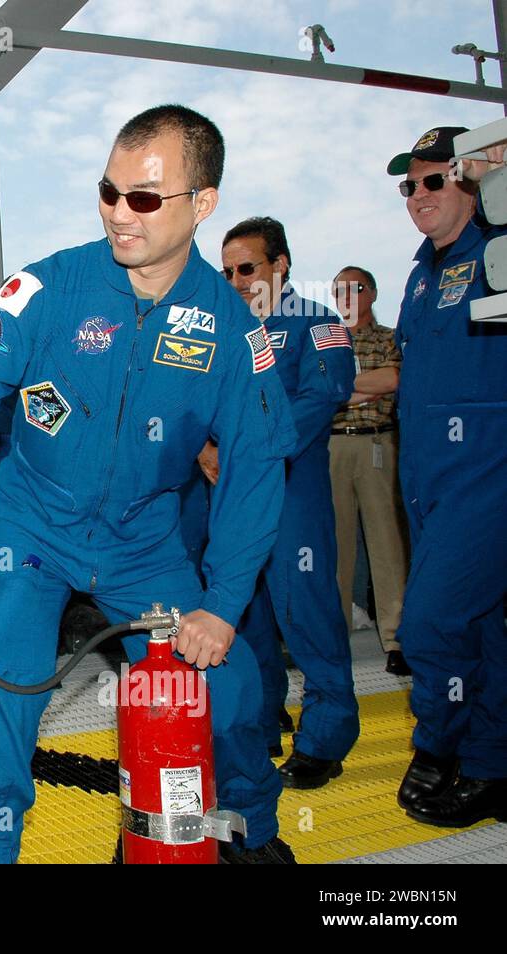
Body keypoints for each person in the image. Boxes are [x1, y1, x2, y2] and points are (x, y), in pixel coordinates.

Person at [0, 104, 299, 863]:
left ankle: (251, 832)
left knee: (230, 691)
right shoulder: (47, 288)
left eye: (143, 198)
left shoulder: (233, 331)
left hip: (145, 545)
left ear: (202, 204)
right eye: (108, 192)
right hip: (33, 530)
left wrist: (222, 604)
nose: (118, 214)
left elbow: (255, 471)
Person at [210, 217, 359, 790]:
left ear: (281, 265)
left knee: (307, 613)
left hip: (293, 492)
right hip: (233, 498)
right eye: (227, 272)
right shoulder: (225, 335)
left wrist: (244, 448)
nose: (237, 280)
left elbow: (323, 395)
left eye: (247, 267)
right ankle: (257, 724)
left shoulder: (316, 323)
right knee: (243, 618)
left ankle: (326, 737)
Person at [387, 126, 507, 827]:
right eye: (411, 185)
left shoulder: (496, 254)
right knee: (485, 627)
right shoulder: (420, 273)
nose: (419, 195)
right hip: (424, 473)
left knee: (430, 624)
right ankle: (492, 764)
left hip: (486, 470)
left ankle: (438, 745)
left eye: (436, 180)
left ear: (473, 182)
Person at [327, 266, 410, 676]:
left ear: (373, 292)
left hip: (379, 441)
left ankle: (396, 640)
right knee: (335, 546)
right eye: (338, 289)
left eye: (354, 287)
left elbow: (395, 378)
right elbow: (324, 388)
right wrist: (361, 386)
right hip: (333, 445)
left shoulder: (390, 338)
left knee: (388, 544)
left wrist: (349, 386)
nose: (346, 295)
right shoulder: (326, 338)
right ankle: (334, 638)